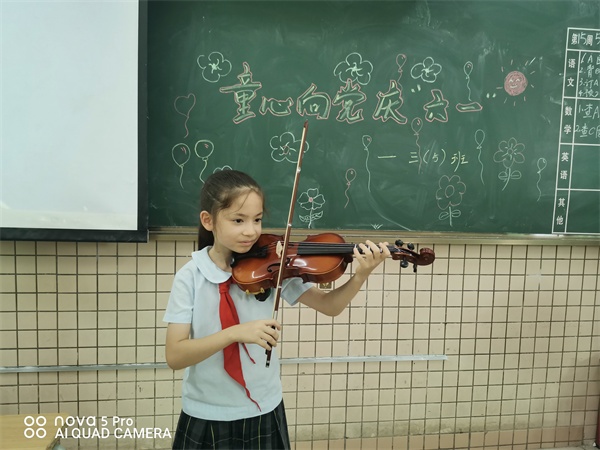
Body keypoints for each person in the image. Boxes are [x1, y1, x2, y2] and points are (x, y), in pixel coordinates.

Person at [164, 169, 390, 449]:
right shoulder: (189, 277)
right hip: (206, 411)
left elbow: (330, 306)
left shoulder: (275, 265)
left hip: (263, 406)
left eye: (257, 219)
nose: (251, 231)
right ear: (208, 220)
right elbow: (175, 355)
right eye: (238, 220)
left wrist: (361, 275)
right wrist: (235, 333)